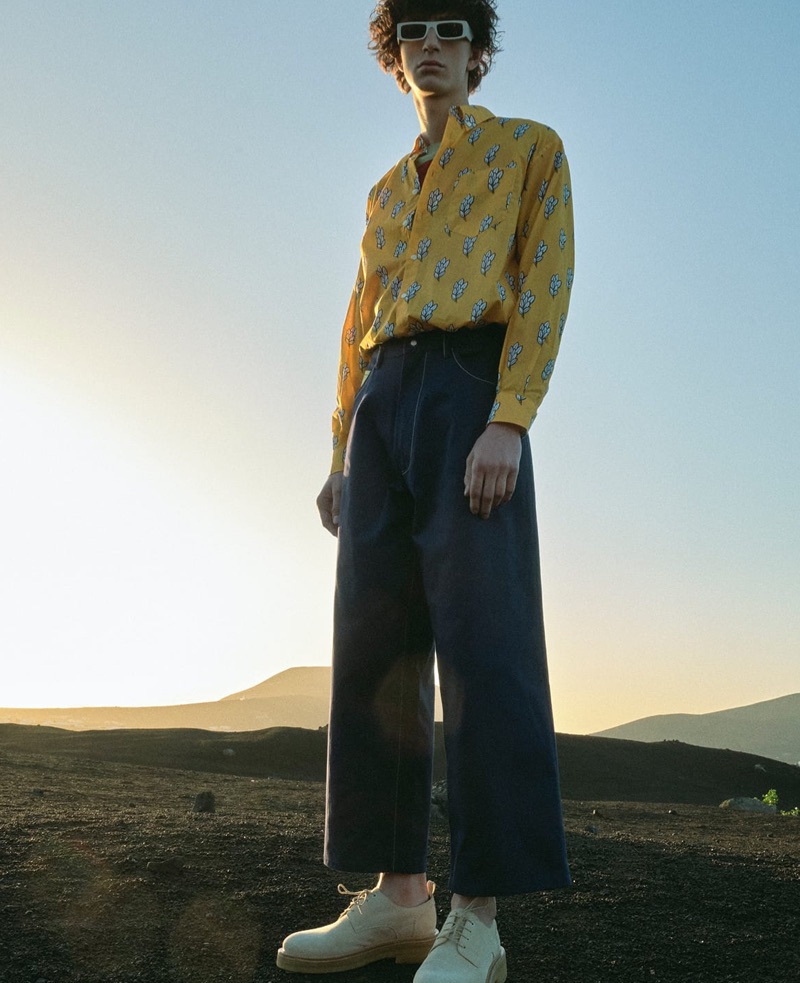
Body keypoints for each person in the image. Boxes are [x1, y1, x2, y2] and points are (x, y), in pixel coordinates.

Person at [277, 1, 574, 980]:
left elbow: (542, 279)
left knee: (481, 639)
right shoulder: (379, 192)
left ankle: (477, 917)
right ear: (394, 58)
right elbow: (354, 319)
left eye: (451, 30)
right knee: (375, 644)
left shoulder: (529, 149)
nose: (432, 48)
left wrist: (509, 414)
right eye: (414, 34)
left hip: (467, 386)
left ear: (477, 53)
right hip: (381, 398)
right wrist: (338, 447)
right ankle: (399, 897)